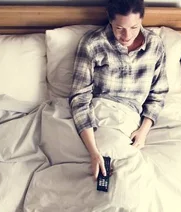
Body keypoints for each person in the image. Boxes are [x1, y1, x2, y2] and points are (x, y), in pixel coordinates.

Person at [70, 0, 168, 180]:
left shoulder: (155, 45)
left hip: (130, 118)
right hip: (99, 113)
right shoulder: (92, 43)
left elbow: (158, 93)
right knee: (93, 173)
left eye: (134, 27)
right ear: (109, 20)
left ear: (142, 19)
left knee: (128, 176)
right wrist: (93, 152)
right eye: (119, 28)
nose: (126, 35)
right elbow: (79, 98)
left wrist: (144, 131)